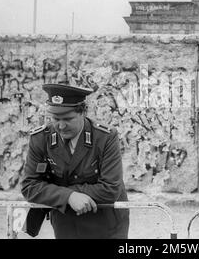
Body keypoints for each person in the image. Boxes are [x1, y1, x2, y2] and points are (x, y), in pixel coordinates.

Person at [21, 83, 129, 239]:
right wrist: (68, 197)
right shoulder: (40, 139)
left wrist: (64, 192)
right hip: (65, 222)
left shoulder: (105, 137)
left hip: (106, 222)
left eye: (68, 118)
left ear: (83, 112)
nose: (61, 126)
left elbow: (111, 188)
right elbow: (29, 186)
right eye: (55, 118)